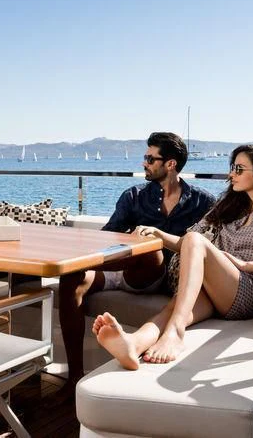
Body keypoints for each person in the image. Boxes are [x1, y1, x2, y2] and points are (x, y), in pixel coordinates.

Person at [92, 144, 253, 369]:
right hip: (216, 288)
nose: (231, 174)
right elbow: (187, 244)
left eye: (238, 169)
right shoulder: (230, 206)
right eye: (232, 168)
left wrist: (246, 265)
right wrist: (158, 234)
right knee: (175, 307)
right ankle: (134, 344)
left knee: (195, 241)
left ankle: (176, 334)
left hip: (250, 289)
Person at [56, 132, 215, 396]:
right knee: (71, 278)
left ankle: (73, 263)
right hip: (128, 272)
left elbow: (218, 238)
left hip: (165, 276)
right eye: (145, 157)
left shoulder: (202, 201)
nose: (144, 163)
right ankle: (74, 378)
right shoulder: (133, 195)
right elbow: (105, 239)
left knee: (152, 249)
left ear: (170, 164)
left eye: (150, 159)